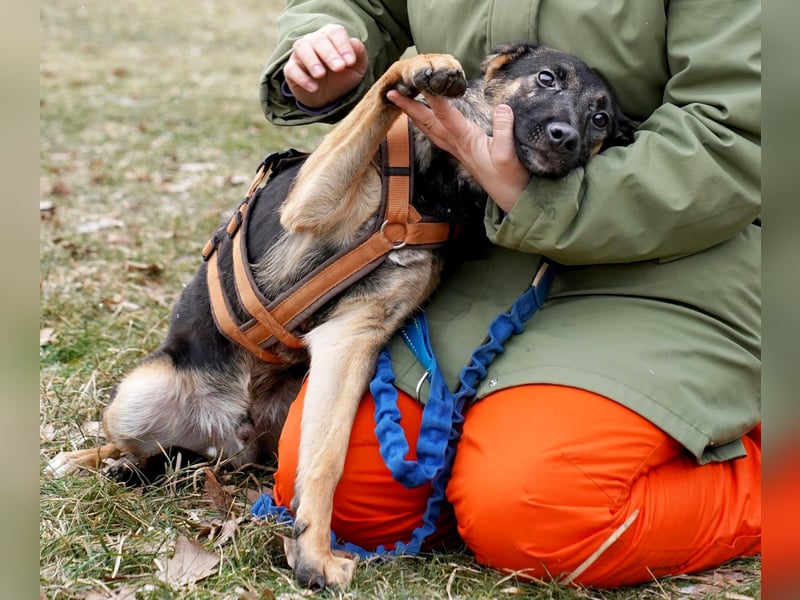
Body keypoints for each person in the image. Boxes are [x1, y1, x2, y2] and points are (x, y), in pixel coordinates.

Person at [258, 1, 761, 588]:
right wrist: (321, 46)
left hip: (666, 258)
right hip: (466, 249)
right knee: (345, 500)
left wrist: (533, 195)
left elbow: (737, 137)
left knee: (537, 511)